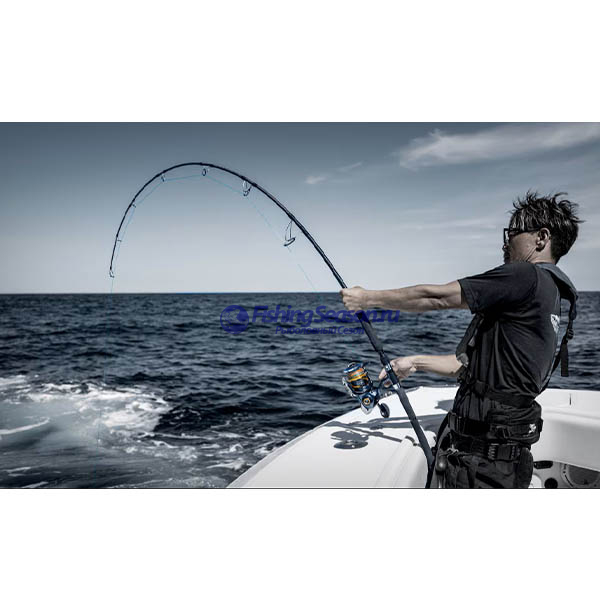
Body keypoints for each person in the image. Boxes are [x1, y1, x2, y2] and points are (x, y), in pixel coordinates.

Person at [340, 191, 582, 488]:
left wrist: (366, 299)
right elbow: (473, 369)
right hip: (499, 458)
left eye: (512, 233)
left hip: (483, 465)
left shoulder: (525, 276)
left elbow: (438, 298)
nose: (505, 242)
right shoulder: (548, 292)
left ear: (541, 238)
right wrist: (414, 362)